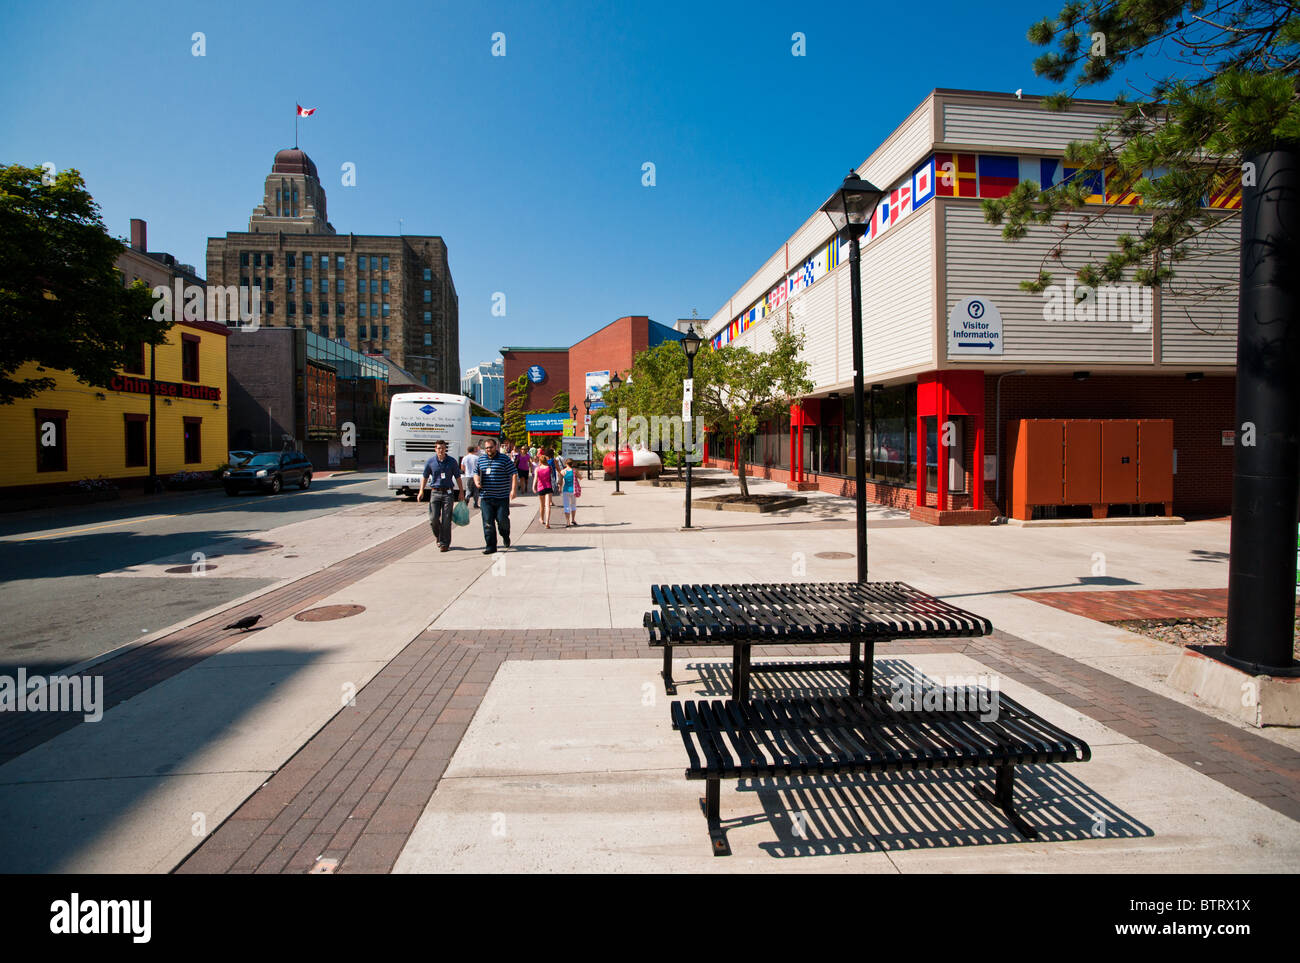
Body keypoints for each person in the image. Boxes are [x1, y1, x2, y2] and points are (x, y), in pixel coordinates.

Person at [417, 440, 463, 552]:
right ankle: (438, 536)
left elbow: (457, 477)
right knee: (433, 519)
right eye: (438, 448)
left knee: (446, 519)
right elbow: (425, 476)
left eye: (442, 448)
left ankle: (444, 543)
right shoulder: (431, 462)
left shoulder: (451, 461)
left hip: (448, 493)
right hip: (435, 492)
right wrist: (421, 491)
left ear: (445, 449)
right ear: (435, 449)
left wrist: (461, 492)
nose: (441, 450)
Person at [474, 437, 517, 554]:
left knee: (502, 521)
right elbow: (476, 473)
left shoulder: (504, 459)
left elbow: (513, 473)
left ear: (496, 447)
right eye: (486, 448)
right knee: (488, 523)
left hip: (501, 497)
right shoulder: (481, 459)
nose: (488, 449)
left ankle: (505, 535)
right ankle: (491, 546)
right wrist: (477, 481)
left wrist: (513, 490)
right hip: (486, 497)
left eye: (491, 447)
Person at [560, 458, 581, 527]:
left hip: (566, 490)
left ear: (566, 464)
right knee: (573, 505)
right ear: (572, 464)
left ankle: (567, 522)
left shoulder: (563, 471)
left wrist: (560, 488)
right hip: (573, 490)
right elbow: (580, 477)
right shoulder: (574, 471)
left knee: (566, 506)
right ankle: (573, 519)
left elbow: (560, 482)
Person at [461, 445, 480, 509]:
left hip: (468, 475)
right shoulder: (477, 458)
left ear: (467, 451)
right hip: (476, 476)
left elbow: (462, 467)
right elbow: (479, 467)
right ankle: (475, 504)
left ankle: (466, 502)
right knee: (476, 490)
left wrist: (466, 471)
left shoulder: (465, 458)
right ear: (474, 450)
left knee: (468, 490)